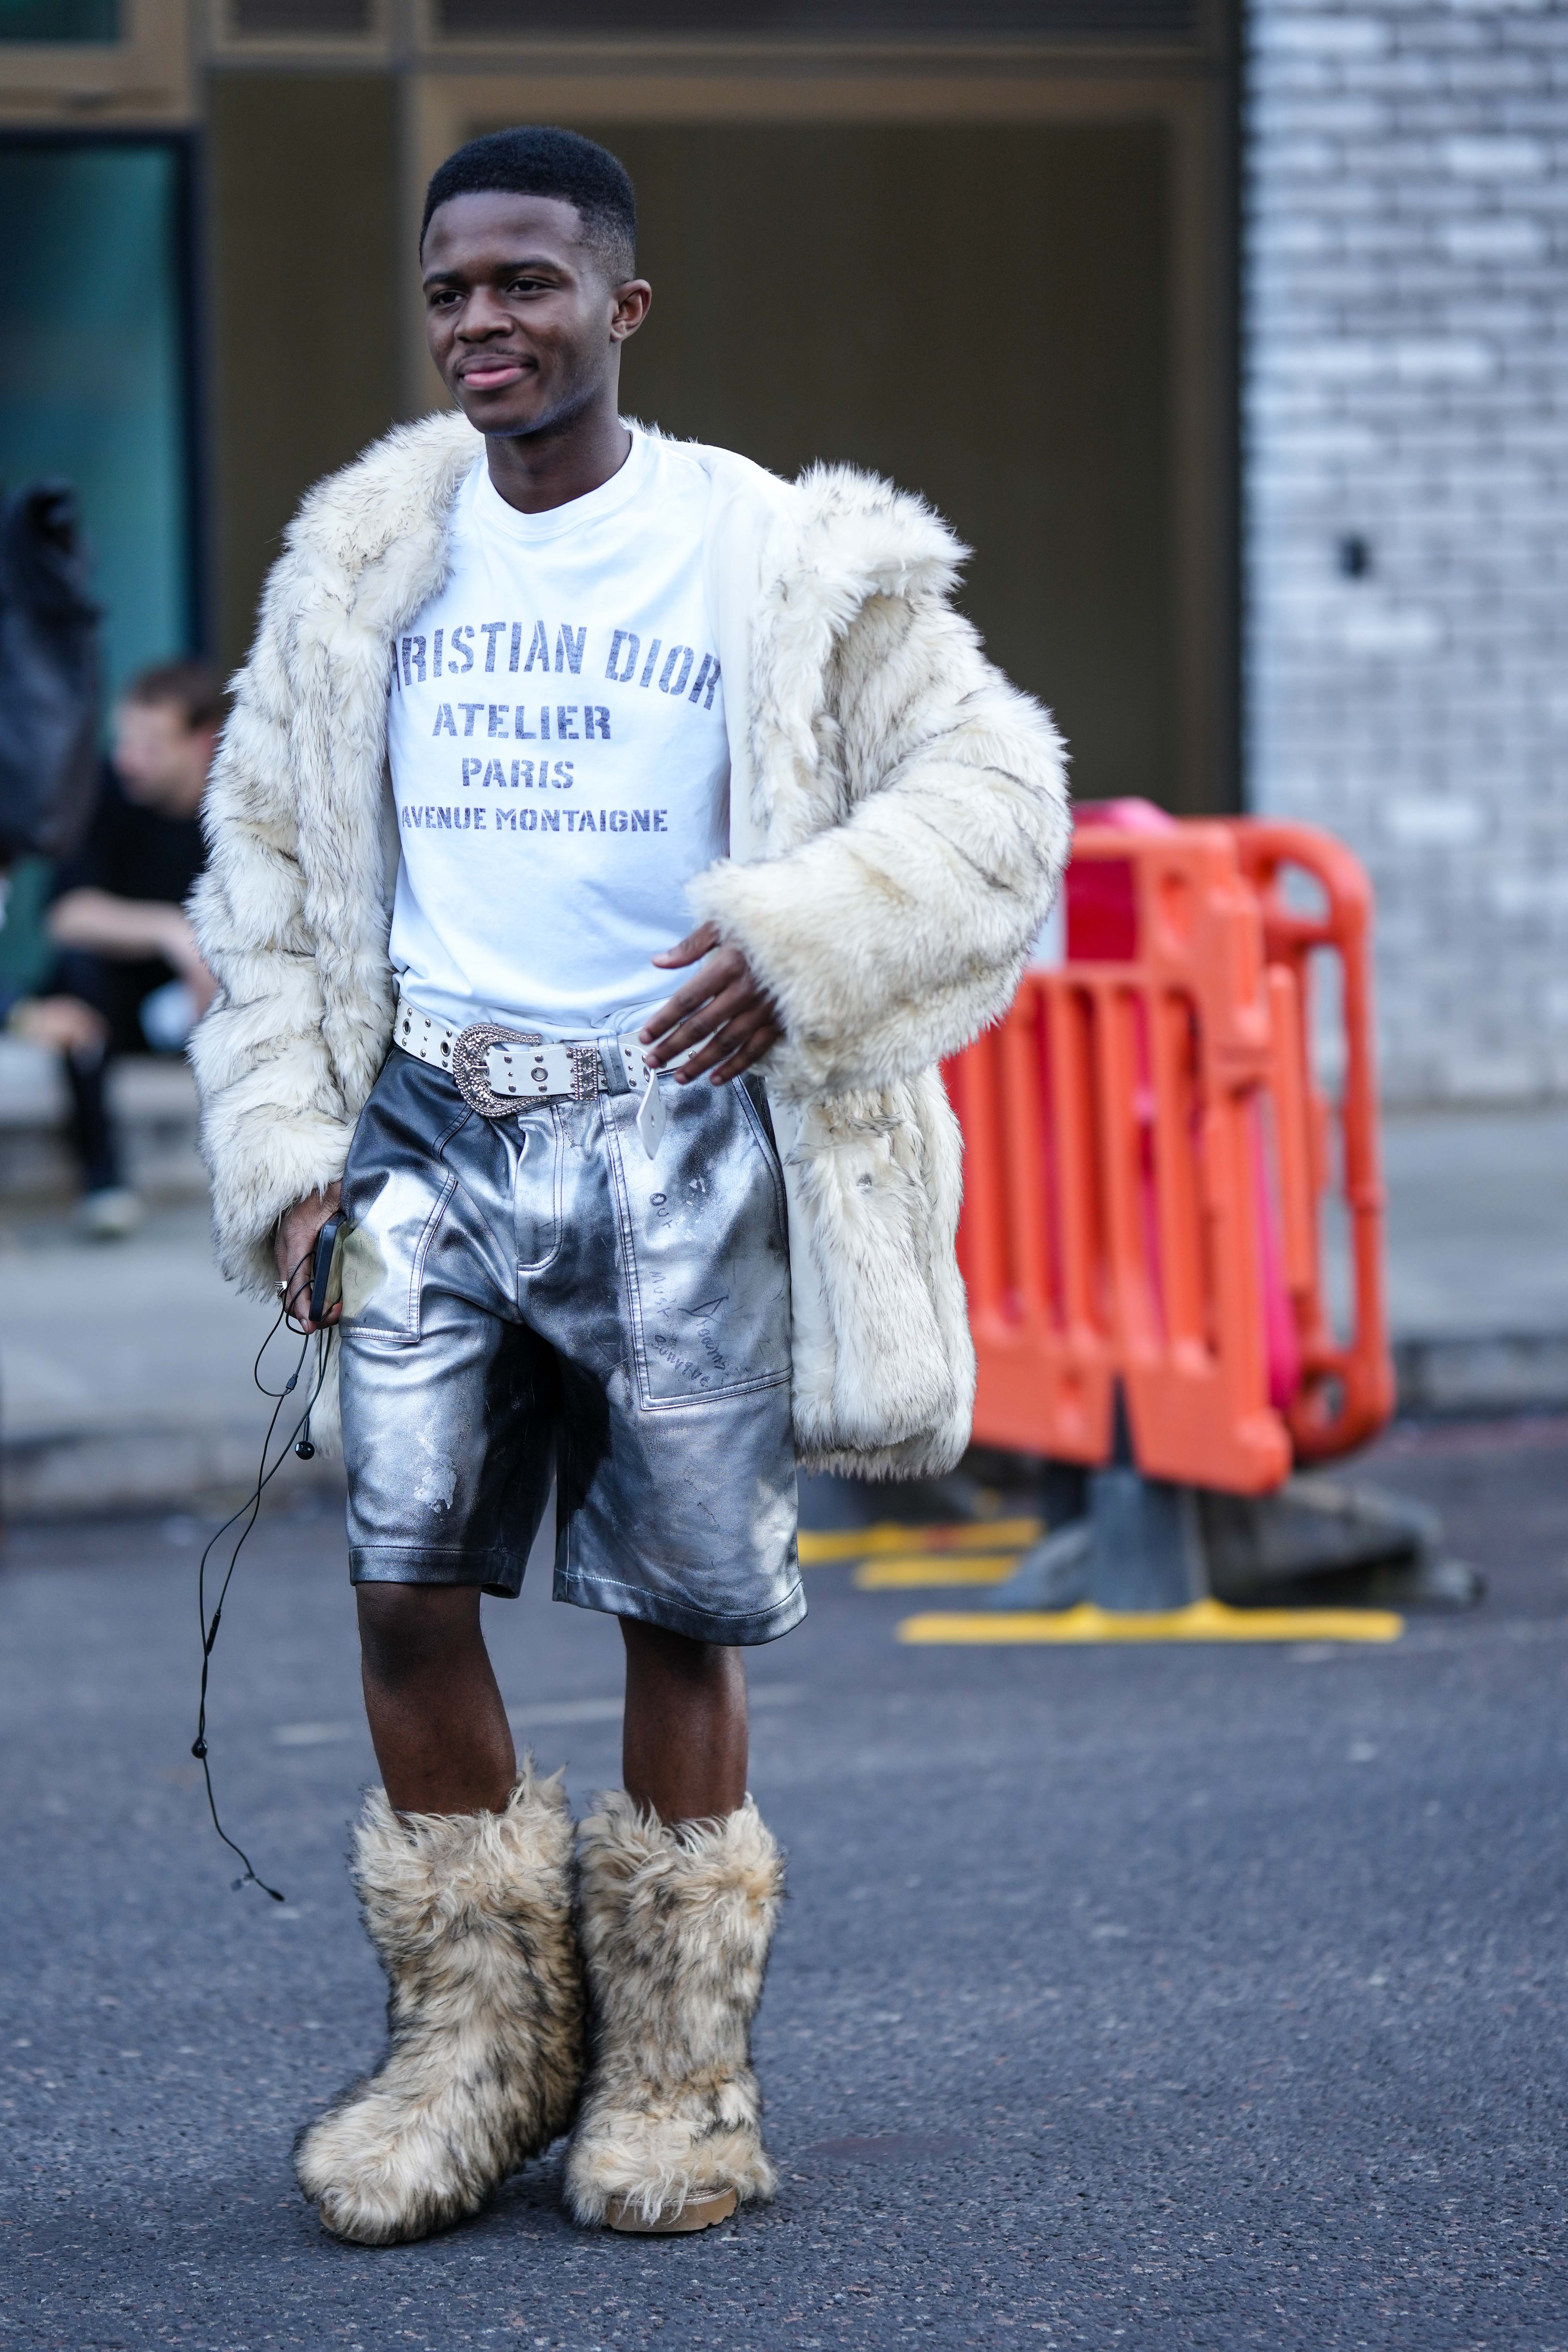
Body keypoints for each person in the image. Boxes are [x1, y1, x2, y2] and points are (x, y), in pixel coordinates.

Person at [190, 126, 1069, 2248]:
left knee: (678, 1607)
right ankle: (477, 2053)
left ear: (620, 307)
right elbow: (270, 869)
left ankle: (677, 2077)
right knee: (404, 1583)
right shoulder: (362, 573)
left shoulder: (770, 553)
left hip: (677, 1137)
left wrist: (800, 941)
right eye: (451, 293)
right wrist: (293, 1158)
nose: (483, 323)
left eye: (526, 284)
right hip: (429, 1127)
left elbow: (994, 791)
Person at [45, 661, 220, 1236]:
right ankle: (104, 1181)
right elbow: (67, 915)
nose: (128, 758)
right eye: (125, 740)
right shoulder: (105, 790)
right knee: (79, 980)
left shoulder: (245, 806)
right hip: (123, 1000)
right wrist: (173, 932)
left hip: (215, 1000)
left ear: (203, 741)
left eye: (150, 744)